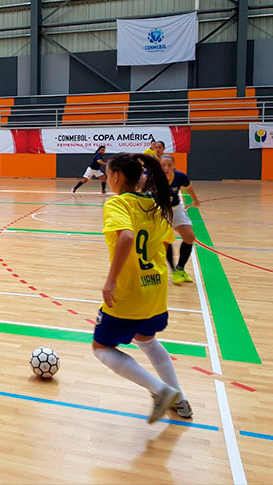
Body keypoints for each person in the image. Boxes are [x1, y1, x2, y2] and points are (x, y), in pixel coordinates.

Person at [93, 152, 192, 423]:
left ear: (116, 176)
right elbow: (163, 243)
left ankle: (162, 391)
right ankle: (180, 401)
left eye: (108, 174)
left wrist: (112, 279)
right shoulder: (157, 205)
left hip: (129, 292)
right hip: (156, 289)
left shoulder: (118, 204)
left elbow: (126, 236)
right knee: (147, 340)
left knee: (101, 348)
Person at [160, 154, 200, 285]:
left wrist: (195, 199)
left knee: (189, 236)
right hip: (160, 211)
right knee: (166, 241)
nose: (166, 167)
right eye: (163, 165)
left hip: (176, 208)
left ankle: (180, 268)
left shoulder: (180, 176)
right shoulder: (153, 178)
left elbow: (188, 187)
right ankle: (173, 272)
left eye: (169, 165)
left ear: (174, 166)